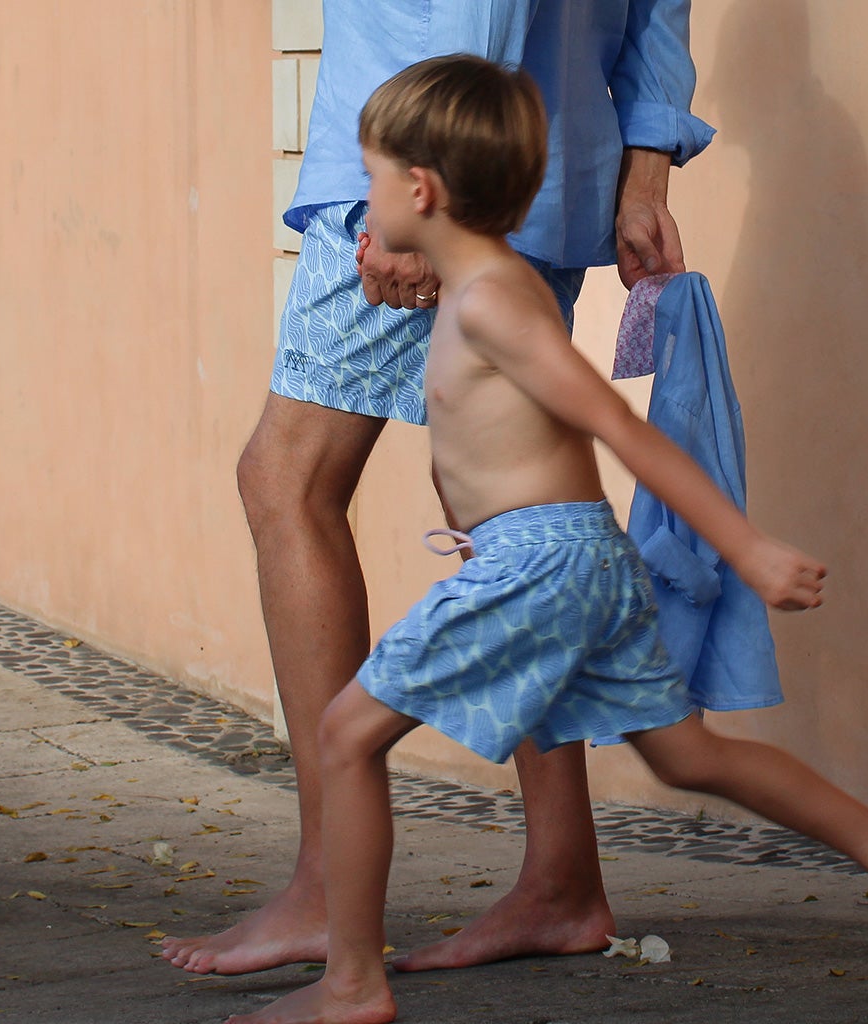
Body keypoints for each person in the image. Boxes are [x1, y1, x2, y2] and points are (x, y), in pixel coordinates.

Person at [225, 54, 868, 1024]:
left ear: (422, 190)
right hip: (577, 564)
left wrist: (745, 547)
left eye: (368, 179)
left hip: (541, 564)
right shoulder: (477, 281)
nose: (361, 200)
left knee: (346, 734)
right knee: (686, 754)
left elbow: (620, 426)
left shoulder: (490, 303)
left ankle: (350, 981)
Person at [165, 0, 716, 976]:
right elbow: (654, 14)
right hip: (542, 174)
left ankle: (329, 889)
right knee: (508, 510)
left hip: (422, 180)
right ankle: (560, 879)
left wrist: (432, 204)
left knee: (286, 479)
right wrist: (641, 176)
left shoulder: (426, 188)